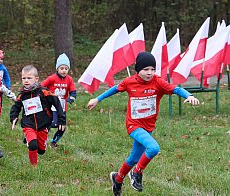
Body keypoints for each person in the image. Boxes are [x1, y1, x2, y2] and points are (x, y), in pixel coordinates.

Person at [86, 52, 200, 195]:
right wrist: (97, 99)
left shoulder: (158, 82)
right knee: (153, 148)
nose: (150, 73)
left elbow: (175, 89)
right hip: (134, 125)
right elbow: (115, 89)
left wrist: (188, 95)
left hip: (149, 126)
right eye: (146, 69)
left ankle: (118, 178)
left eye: (152, 69)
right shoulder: (129, 82)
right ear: (138, 70)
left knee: (134, 157)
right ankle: (136, 173)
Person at [10, 65, 66, 166]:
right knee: (33, 145)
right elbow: (16, 107)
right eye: (24, 78)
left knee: (41, 151)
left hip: (43, 125)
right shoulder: (22, 95)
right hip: (28, 124)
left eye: (29, 78)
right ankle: (33, 167)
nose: (26, 80)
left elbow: (57, 103)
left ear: (36, 79)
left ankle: (33, 143)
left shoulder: (44, 92)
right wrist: (13, 117)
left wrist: (61, 119)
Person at [41, 53, 76, 148]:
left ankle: (53, 142)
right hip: (51, 107)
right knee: (50, 124)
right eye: (62, 68)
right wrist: (46, 95)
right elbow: (42, 86)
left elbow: (73, 91)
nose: (64, 70)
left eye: (66, 68)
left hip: (62, 108)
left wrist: (71, 98)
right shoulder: (52, 78)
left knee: (62, 128)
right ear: (57, 68)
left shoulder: (69, 79)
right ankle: (40, 137)